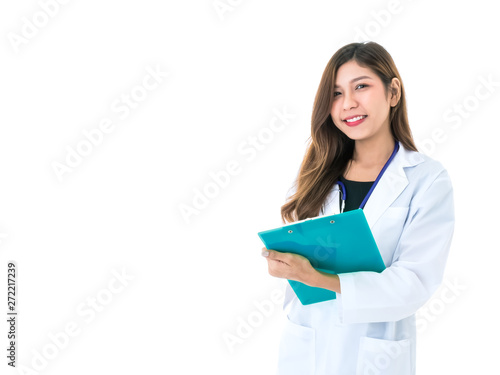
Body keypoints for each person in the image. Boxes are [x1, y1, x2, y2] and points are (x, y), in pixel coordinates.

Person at [261, 41, 455, 375]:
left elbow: (414, 283)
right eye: (335, 94)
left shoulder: (427, 179)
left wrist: (320, 278)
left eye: (361, 87)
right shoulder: (314, 174)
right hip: (307, 348)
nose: (348, 104)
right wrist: (285, 267)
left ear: (393, 92)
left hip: (375, 354)